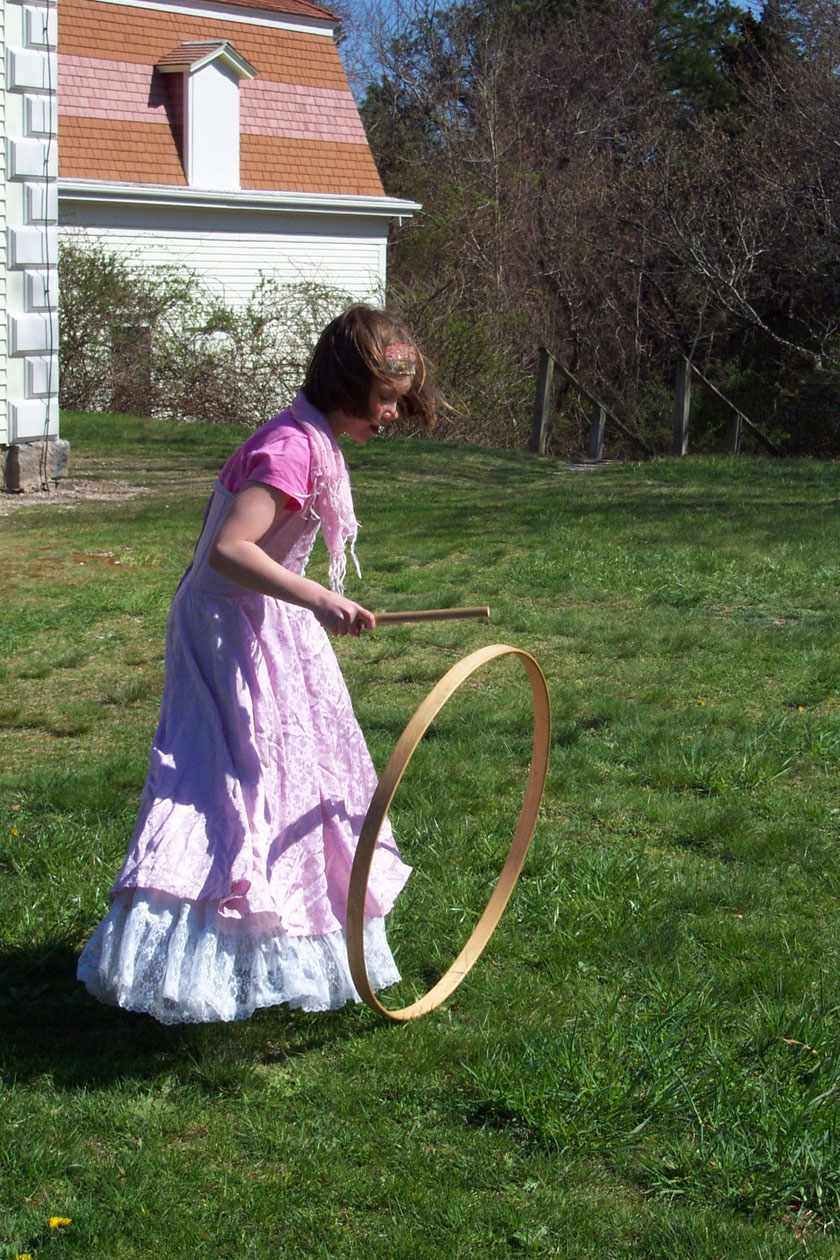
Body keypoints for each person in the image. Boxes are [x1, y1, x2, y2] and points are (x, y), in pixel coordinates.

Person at [77, 305, 437, 1024]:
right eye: (385, 398)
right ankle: (196, 954)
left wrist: (306, 607)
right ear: (345, 381)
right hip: (227, 630)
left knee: (292, 778)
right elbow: (232, 549)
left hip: (263, 622)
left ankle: (281, 939)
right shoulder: (290, 447)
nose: (393, 413)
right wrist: (317, 598)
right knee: (229, 786)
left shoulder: (313, 436)